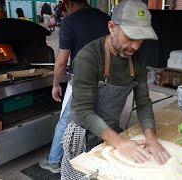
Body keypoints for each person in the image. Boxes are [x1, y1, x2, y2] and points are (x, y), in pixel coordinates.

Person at [60, 0, 171, 179]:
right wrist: (119, 142)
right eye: (130, 37)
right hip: (81, 134)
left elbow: (143, 103)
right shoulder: (88, 57)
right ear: (112, 27)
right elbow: (83, 110)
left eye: (140, 39)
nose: (135, 46)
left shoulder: (137, 59)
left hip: (110, 128)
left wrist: (151, 137)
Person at [39, 0, 110, 174]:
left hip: (82, 80)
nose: (64, 12)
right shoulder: (105, 18)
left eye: (64, 8)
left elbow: (62, 60)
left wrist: (56, 84)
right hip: (107, 79)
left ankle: (54, 161)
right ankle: (96, 156)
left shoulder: (70, 22)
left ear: (69, 3)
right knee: (99, 117)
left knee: (66, 120)